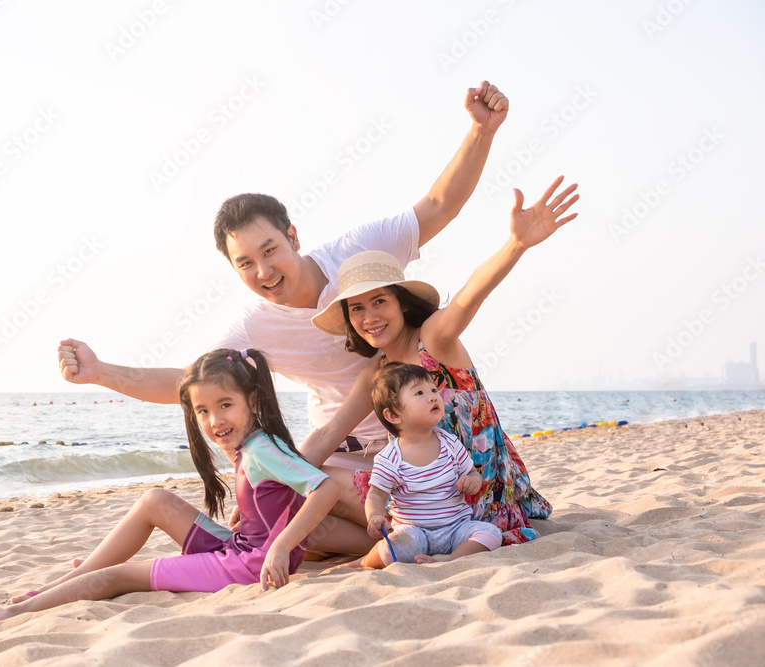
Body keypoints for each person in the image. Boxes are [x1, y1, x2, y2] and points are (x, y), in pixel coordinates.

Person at [59, 81, 512, 526]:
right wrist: (101, 373)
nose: (264, 272)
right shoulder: (256, 327)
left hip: (422, 441)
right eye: (246, 263)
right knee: (279, 511)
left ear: (293, 237)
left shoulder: (359, 256)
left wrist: (482, 131)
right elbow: (187, 382)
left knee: (296, 508)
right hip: (343, 454)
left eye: (270, 250)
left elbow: (438, 205)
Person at [0, 348, 344, 622]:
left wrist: (281, 545)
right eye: (203, 410)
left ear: (252, 401)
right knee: (155, 499)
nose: (214, 420)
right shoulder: (250, 444)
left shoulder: (262, 450)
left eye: (225, 405)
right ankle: (59, 585)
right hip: (239, 550)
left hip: (247, 566)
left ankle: (11, 613)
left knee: (116, 577)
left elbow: (324, 489)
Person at [309, 176, 579, 544]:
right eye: (357, 308)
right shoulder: (378, 372)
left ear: (401, 302)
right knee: (308, 510)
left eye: (379, 302)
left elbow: (470, 295)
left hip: (477, 497)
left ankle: (408, 544)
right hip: (425, 502)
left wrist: (516, 244)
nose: (369, 316)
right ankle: (395, 545)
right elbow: (329, 432)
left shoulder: (433, 338)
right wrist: (264, 483)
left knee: (321, 488)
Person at [348, 362, 503, 568]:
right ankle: (365, 561)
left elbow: (473, 473)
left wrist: (471, 481)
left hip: (456, 528)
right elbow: (376, 494)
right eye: (419, 392)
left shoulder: (449, 442)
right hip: (414, 532)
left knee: (491, 534)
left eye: (432, 389)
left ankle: (449, 560)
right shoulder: (390, 458)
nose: (432, 396)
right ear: (393, 415)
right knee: (391, 549)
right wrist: (375, 515)